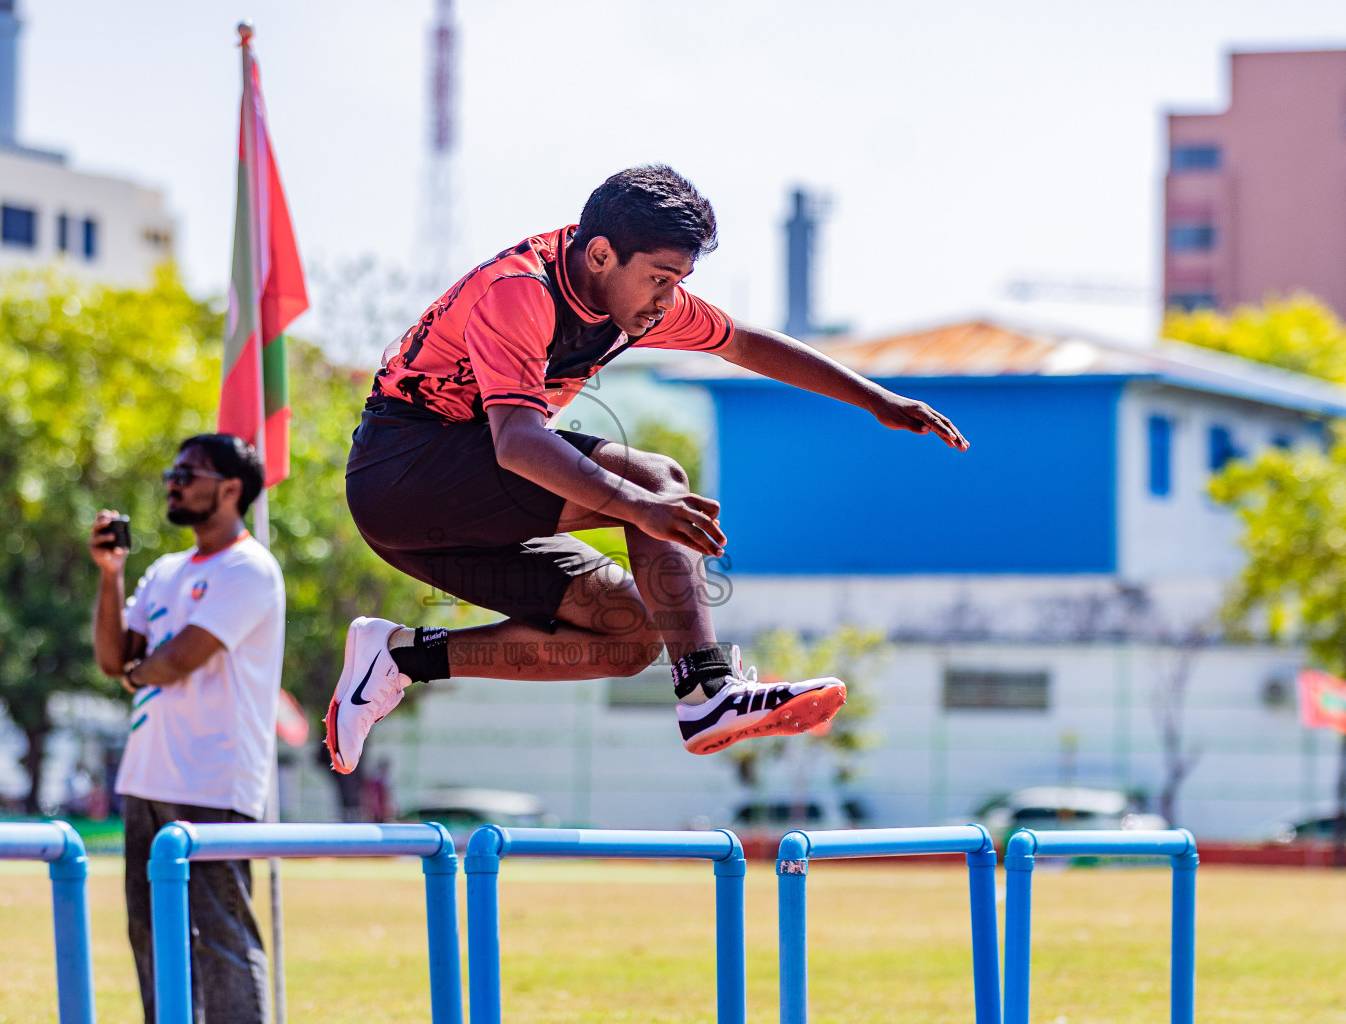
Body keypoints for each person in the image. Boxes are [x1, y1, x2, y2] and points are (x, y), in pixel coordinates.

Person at [327, 165, 968, 775]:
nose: (667, 301)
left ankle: (401, 655)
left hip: (453, 521)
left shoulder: (636, 297)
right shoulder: (519, 291)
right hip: (403, 476)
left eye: (678, 281)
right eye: (661, 279)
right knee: (656, 481)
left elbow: (746, 342)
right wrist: (638, 507)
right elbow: (518, 442)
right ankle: (707, 689)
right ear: (601, 255)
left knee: (629, 634)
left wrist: (876, 400)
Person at [90, 433, 284, 1024]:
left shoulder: (250, 567)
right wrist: (109, 575)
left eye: (188, 473)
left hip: (213, 781)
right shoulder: (166, 570)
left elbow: (178, 660)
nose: (172, 482)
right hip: (146, 777)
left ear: (231, 489)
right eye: (172, 471)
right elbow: (111, 656)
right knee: (150, 934)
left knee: (220, 935)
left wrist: (133, 675)